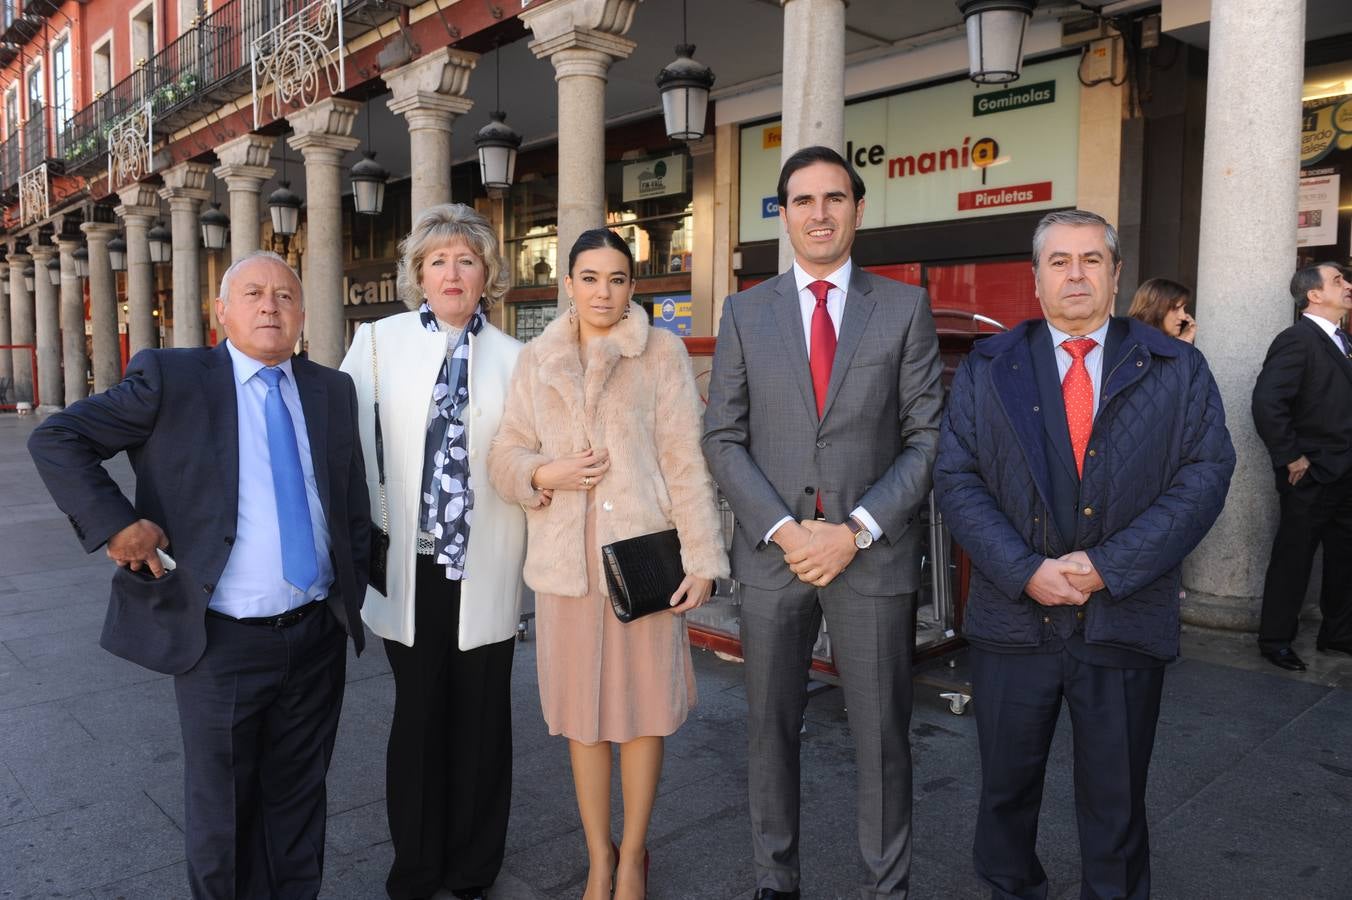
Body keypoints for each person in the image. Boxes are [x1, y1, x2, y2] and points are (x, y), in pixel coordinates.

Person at [27, 250, 370, 899]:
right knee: (224, 811)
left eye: (285, 296)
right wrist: (116, 522)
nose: (271, 305)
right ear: (222, 312)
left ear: (302, 313)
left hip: (317, 634)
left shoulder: (331, 389)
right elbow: (57, 439)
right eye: (254, 294)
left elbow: (346, 495)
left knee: (300, 799)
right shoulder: (173, 377)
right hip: (222, 641)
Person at [933, 209, 1234, 900]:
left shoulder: (1177, 367)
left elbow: (1206, 474)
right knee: (1005, 792)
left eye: (1091, 260)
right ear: (1035, 278)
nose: (1076, 274)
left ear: (1116, 272)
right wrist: (1023, 570)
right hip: (1014, 622)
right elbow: (957, 477)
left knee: (1117, 801)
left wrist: (1109, 566)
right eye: (1059, 261)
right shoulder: (989, 365)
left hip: (1124, 615)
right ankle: (1012, 887)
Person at [702, 145, 944, 899]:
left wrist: (855, 529)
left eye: (834, 198)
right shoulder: (746, 311)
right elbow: (722, 437)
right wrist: (783, 528)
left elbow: (926, 438)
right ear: (784, 214)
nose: (819, 213)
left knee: (882, 740)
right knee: (770, 733)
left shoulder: (903, 307)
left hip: (870, 555)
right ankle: (776, 880)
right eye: (802, 200)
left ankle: (886, 887)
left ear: (858, 210)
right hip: (774, 558)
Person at [488, 228, 728, 900]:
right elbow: (506, 455)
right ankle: (599, 856)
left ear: (632, 286)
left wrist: (703, 557)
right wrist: (548, 471)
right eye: (590, 277)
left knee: (645, 713)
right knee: (581, 721)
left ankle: (634, 858)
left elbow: (686, 457)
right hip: (567, 570)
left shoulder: (661, 352)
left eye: (617, 278)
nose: (603, 291)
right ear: (569, 283)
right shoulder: (538, 359)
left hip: (643, 564)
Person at [339, 203, 527, 900]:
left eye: (467, 259)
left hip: (489, 563)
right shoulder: (378, 343)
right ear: (418, 273)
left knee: (484, 716)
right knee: (420, 713)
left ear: (488, 276)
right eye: (438, 260)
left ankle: (475, 866)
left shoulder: (517, 358)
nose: (453, 272)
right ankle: (416, 868)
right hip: (407, 563)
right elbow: (346, 445)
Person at [1251, 262, 1352, 671]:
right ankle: (1275, 640)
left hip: (1345, 472)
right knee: (1293, 559)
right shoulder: (1297, 339)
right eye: (1340, 281)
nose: (1349, 285)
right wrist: (1291, 456)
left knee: (1345, 559)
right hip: (1310, 475)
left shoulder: (1343, 340)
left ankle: (1338, 634)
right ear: (1314, 294)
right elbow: (1266, 402)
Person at [1127, 276, 1196, 343]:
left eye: (1183, 308)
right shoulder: (1132, 348)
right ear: (1155, 309)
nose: (1183, 317)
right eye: (1176, 308)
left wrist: (1183, 345)